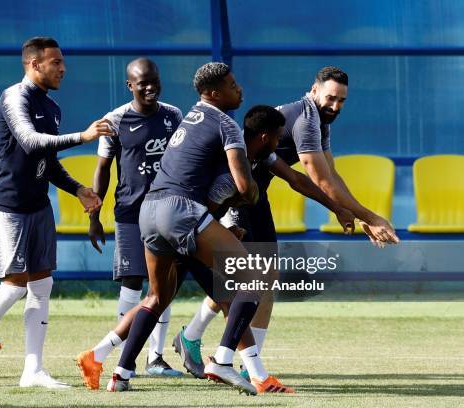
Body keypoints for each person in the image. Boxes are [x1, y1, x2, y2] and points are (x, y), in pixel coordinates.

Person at [175, 66, 399, 393]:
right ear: (314, 90)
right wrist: (368, 216)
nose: (335, 106)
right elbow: (317, 177)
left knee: (261, 279)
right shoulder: (306, 118)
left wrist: (349, 211)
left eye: (342, 101)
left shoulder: (319, 121)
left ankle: (202, 343)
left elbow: (326, 173)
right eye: (331, 98)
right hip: (236, 198)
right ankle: (244, 367)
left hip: (255, 196)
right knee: (249, 280)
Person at [0, 37, 111, 389]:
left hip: (39, 206)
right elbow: (29, 141)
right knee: (14, 286)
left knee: (42, 285)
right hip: (8, 205)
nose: (63, 68)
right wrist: (84, 137)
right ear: (34, 64)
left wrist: (78, 190)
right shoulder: (14, 97)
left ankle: (34, 370)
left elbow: (49, 162)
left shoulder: (52, 107)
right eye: (56, 62)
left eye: (62, 61)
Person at [106, 62, 264, 395]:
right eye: (233, 85)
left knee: (156, 296)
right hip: (180, 210)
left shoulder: (190, 117)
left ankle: (120, 374)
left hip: (148, 211)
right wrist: (251, 192)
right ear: (213, 93)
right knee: (252, 275)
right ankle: (221, 360)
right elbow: (241, 183)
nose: (240, 89)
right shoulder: (225, 123)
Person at [77, 58, 183, 388]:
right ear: (130, 86)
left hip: (168, 211)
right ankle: (126, 357)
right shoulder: (115, 120)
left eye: (154, 81)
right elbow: (103, 169)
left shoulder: (173, 116)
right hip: (130, 214)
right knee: (133, 283)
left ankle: (155, 357)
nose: (149, 87)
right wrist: (95, 216)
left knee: (165, 284)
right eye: (142, 83)